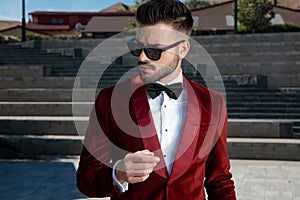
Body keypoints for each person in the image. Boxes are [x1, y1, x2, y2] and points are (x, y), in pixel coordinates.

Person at [76, 0, 236, 199]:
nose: (142, 58)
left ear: (183, 49)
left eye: (154, 50)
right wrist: (118, 174)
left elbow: (220, 181)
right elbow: (86, 179)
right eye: (138, 47)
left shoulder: (213, 103)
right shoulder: (109, 100)